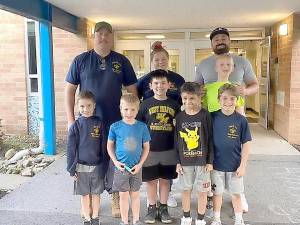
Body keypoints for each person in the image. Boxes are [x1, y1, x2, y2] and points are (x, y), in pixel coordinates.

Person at [65, 21, 138, 218]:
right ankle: (87, 200)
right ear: (93, 36)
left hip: (115, 122)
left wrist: (132, 119)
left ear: (112, 36)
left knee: (115, 160)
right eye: (99, 33)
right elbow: (70, 90)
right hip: (87, 122)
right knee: (88, 159)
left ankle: (115, 195)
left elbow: (132, 91)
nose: (103, 36)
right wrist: (72, 120)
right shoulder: (81, 60)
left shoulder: (121, 61)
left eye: (107, 33)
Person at [195, 27, 258, 212]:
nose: (220, 41)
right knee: (212, 153)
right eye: (216, 39)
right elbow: (197, 89)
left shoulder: (242, 61)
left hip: (236, 117)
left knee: (236, 154)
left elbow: (254, 85)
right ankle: (211, 192)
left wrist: (245, 91)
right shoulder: (204, 63)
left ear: (229, 41)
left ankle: (239, 193)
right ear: (211, 43)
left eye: (223, 38)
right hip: (212, 119)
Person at [137, 41, 185, 207]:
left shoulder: (178, 79)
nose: (160, 62)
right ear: (152, 62)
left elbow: (182, 101)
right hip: (152, 127)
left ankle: (168, 194)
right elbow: (137, 103)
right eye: (156, 60)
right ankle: (152, 201)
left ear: (168, 59)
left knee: (167, 166)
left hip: (170, 125)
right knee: (152, 169)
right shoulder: (143, 81)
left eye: (163, 59)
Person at [137, 69, 180, 224]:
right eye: (156, 83)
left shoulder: (175, 105)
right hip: (150, 150)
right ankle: (151, 208)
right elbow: (139, 127)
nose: (160, 86)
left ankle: (163, 208)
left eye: (163, 83)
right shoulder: (144, 105)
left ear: (169, 85)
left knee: (165, 180)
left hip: (169, 149)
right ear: (150, 85)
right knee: (151, 181)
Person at [210, 83, 252, 225]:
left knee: (236, 194)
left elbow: (246, 144)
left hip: (235, 166)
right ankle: (216, 218)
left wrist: (243, 165)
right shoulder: (212, 117)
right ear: (218, 99)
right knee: (217, 193)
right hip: (216, 165)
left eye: (232, 99)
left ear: (237, 100)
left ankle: (239, 219)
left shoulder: (241, 120)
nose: (228, 102)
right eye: (225, 98)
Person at [107, 93, 151, 225]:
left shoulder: (142, 127)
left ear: (137, 110)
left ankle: (136, 220)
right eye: (125, 109)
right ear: (120, 109)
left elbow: (146, 147)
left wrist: (140, 164)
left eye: (132, 109)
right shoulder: (115, 127)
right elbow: (109, 146)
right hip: (121, 168)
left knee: (135, 195)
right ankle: (125, 221)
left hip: (136, 168)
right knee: (123, 195)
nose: (129, 112)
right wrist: (115, 161)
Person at [175, 82, 214, 225]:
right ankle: (186, 216)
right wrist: (177, 162)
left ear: (199, 98)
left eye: (192, 98)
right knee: (186, 190)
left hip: (202, 162)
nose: (188, 102)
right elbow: (176, 141)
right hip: (185, 162)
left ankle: (201, 218)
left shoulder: (205, 115)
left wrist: (210, 161)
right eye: (185, 98)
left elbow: (210, 139)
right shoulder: (179, 117)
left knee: (202, 192)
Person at [66, 91, 106, 225]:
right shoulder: (75, 126)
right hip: (80, 167)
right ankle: (87, 219)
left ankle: (95, 218)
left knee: (96, 194)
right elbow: (71, 149)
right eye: (82, 106)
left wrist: (104, 167)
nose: (85, 109)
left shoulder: (100, 124)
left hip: (97, 166)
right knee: (84, 194)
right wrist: (71, 169)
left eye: (89, 106)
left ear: (94, 106)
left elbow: (104, 146)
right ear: (77, 106)